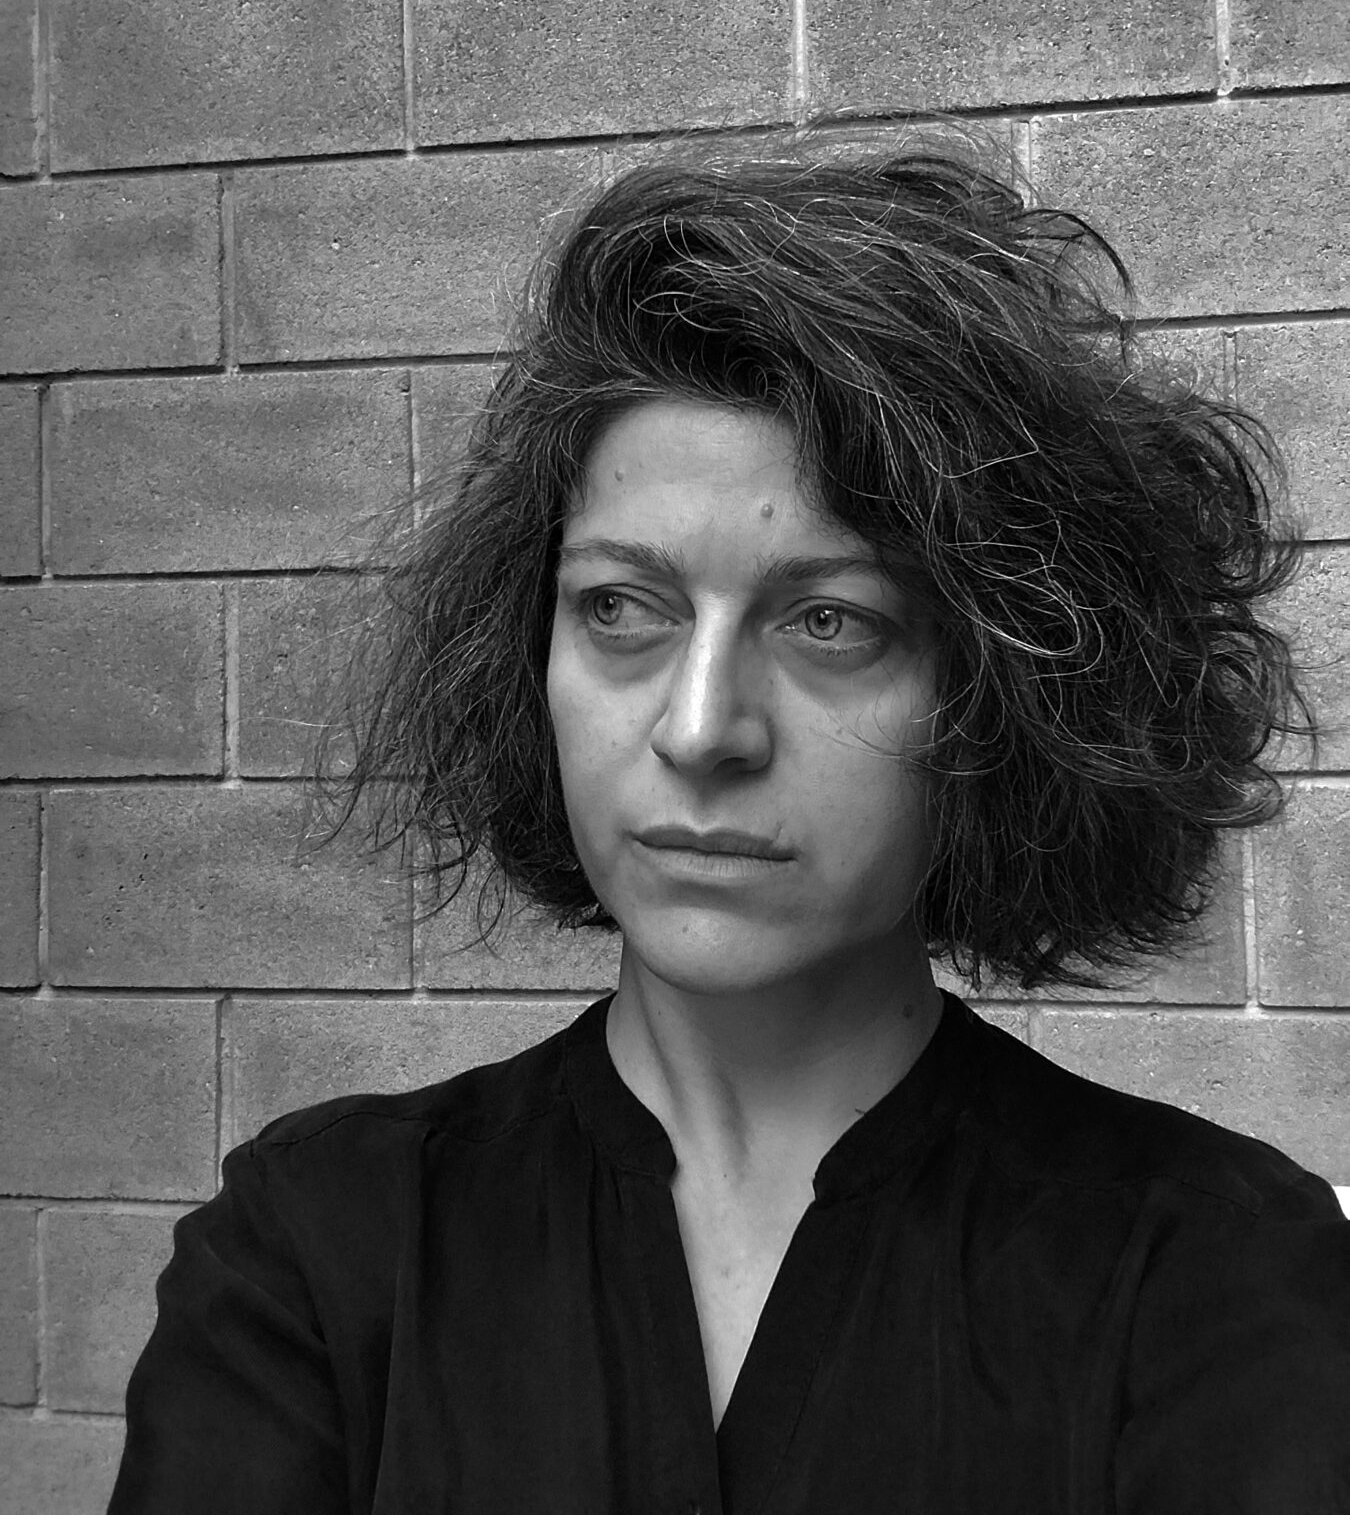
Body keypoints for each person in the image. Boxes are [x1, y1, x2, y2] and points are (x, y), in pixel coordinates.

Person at [109, 132, 1350, 1514]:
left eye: (830, 622)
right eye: (619, 608)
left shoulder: (1210, 1279)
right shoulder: (318, 1252)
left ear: (1005, 695)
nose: (701, 729)